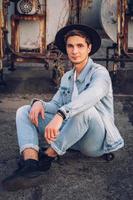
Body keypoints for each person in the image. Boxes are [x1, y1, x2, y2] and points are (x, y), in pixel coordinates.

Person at [2, 24, 124, 191]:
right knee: (25, 111)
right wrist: (39, 103)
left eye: (80, 46)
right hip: (70, 135)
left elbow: (90, 97)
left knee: (84, 110)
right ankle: (30, 164)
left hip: (94, 141)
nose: (75, 51)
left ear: (89, 48)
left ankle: (46, 158)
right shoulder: (67, 77)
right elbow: (56, 104)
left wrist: (61, 115)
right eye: (70, 46)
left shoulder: (99, 73)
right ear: (66, 49)